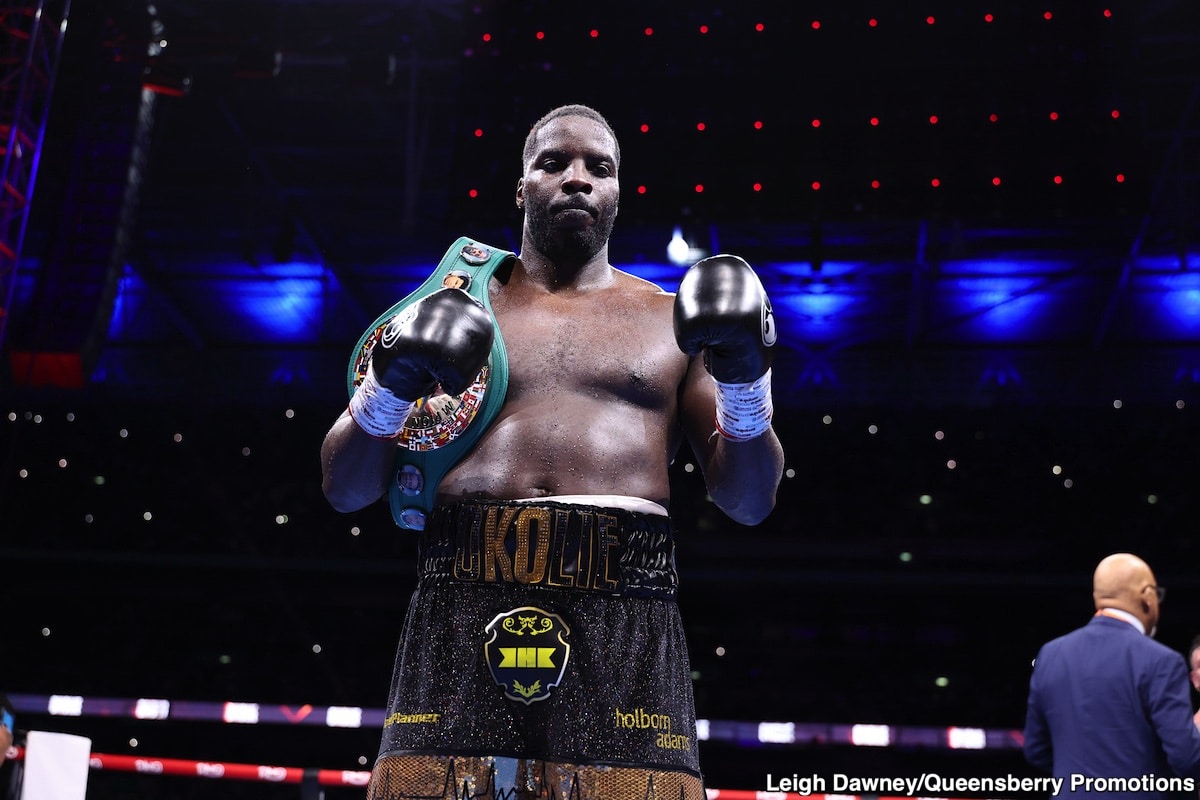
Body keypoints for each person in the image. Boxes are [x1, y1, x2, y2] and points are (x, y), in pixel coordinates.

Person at [321, 103, 784, 799]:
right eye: (553, 163)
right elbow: (344, 487)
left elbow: (748, 501)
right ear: (521, 187)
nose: (577, 179)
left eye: (599, 167)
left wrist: (747, 378)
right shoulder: (454, 306)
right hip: (460, 599)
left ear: (618, 192)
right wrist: (391, 386)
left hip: (626, 613)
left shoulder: (671, 322)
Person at [1023, 553, 1200, 798]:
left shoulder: (1051, 654)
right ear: (1147, 595)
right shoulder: (1161, 661)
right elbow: (1187, 759)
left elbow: (1035, 749)